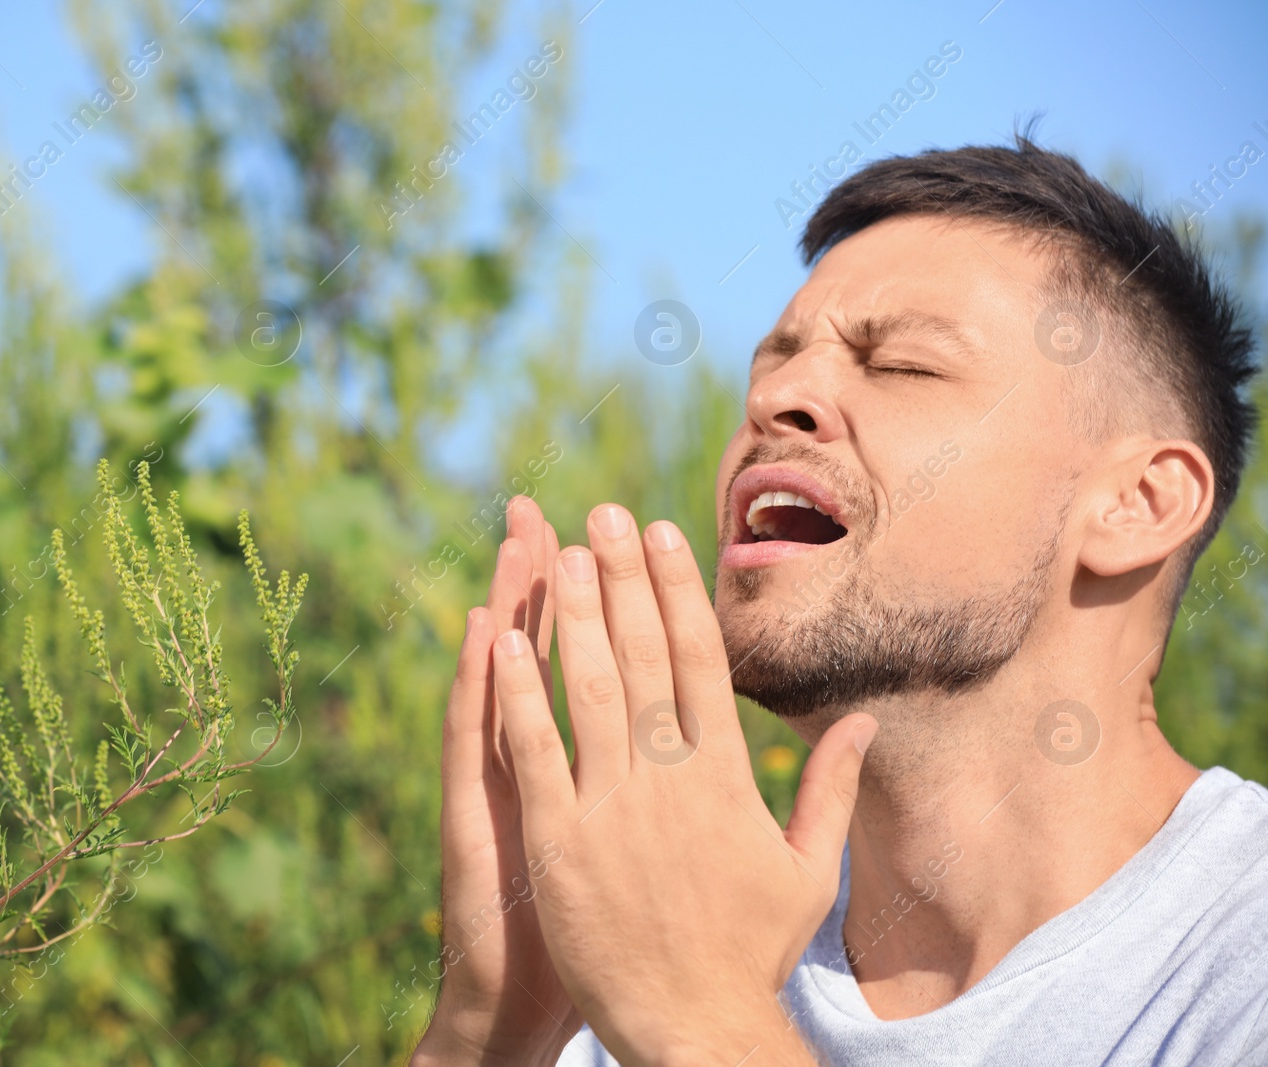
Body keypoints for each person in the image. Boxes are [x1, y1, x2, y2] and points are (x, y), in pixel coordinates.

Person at [408, 133, 1268, 1067]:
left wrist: (707, 1026)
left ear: (1138, 504)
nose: (780, 394)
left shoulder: (1237, 957)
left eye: (900, 365)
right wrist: (493, 1033)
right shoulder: (661, 959)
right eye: (772, 360)